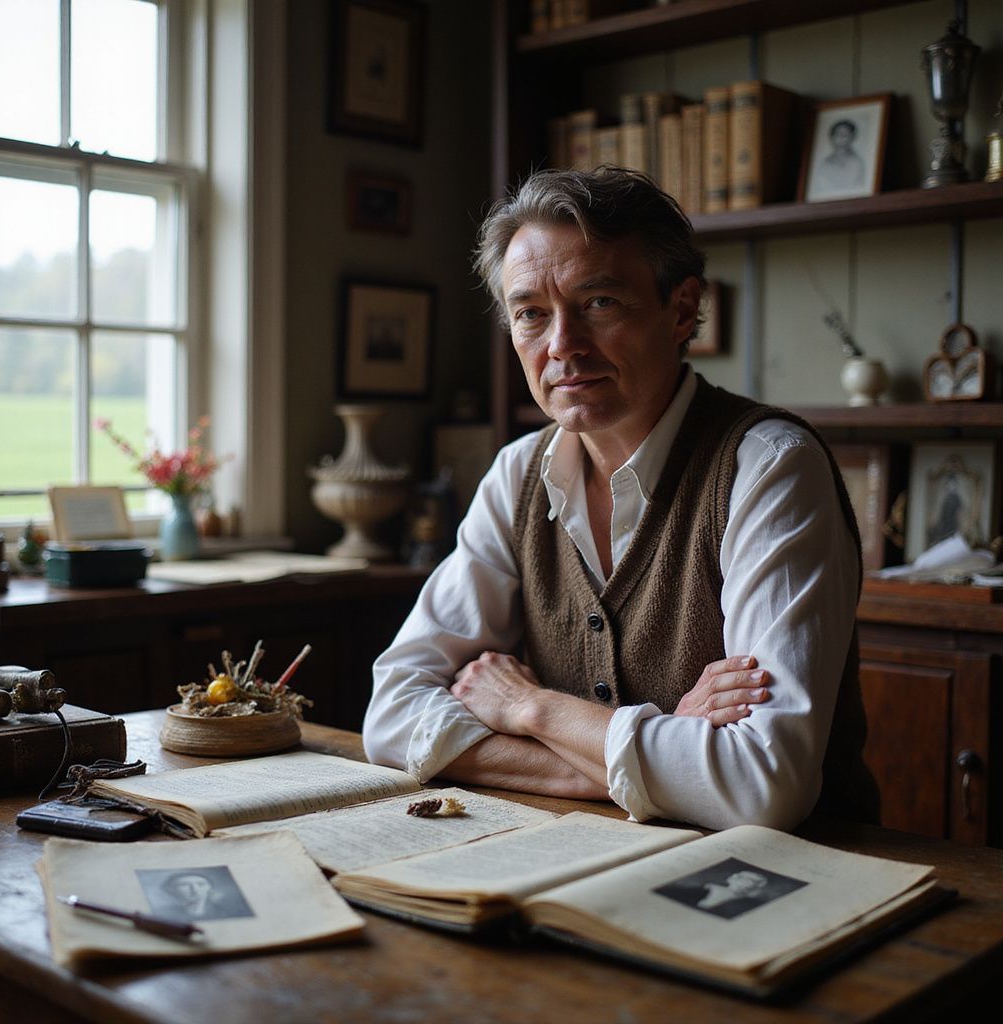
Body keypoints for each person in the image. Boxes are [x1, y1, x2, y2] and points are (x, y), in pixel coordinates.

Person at [363, 167, 878, 831]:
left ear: (683, 308)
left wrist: (532, 711)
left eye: (599, 303)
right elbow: (392, 717)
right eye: (531, 315)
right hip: (582, 864)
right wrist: (655, 747)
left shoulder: (770, 467)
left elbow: (761, 786)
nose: (562, 347)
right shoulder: (517, 475)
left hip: (803, 884)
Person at [814, 119, 866, 194]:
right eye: (838, 134)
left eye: (845, 135)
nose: (841, 138)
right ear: (832, 137)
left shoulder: (857, 163)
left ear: (852, 138)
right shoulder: (824, 164)